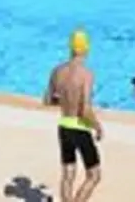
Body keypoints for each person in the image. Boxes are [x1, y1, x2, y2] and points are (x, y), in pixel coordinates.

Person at [45, 29, 103, 202]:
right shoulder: (86, 74)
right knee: (94, 175)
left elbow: (48, 100)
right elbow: (85, 109)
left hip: (64, 125)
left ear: (71, 47)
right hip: (80, 127)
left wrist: (66, 103)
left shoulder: (57, 71)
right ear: (86, 49)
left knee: (68, 174)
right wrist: (97, 127)